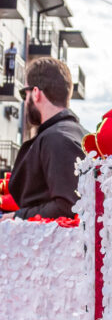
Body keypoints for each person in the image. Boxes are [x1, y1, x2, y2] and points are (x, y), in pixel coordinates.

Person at [1, 57, 85, 221]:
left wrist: (15, 217)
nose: (25, 102)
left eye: (24, 94)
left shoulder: (57, 139)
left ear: (36, 93)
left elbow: (68, 206)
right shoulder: (80, 134)